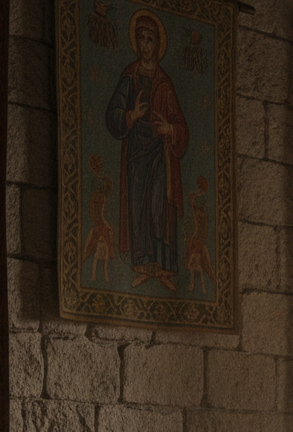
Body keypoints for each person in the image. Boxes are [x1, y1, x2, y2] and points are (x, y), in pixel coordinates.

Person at [105, 10, 188, 292]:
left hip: (160, 155)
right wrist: (130, 116)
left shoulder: (165, 83)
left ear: (157, 44)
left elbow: (180, 124)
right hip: (136, 155)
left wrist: (170, 130)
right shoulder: (129, 77)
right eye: (141, 39)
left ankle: (164, 268)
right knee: (138, 205)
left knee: (159, 207)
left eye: (150, 39)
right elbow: (112, 115)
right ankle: (142, 265)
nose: (145, 45)